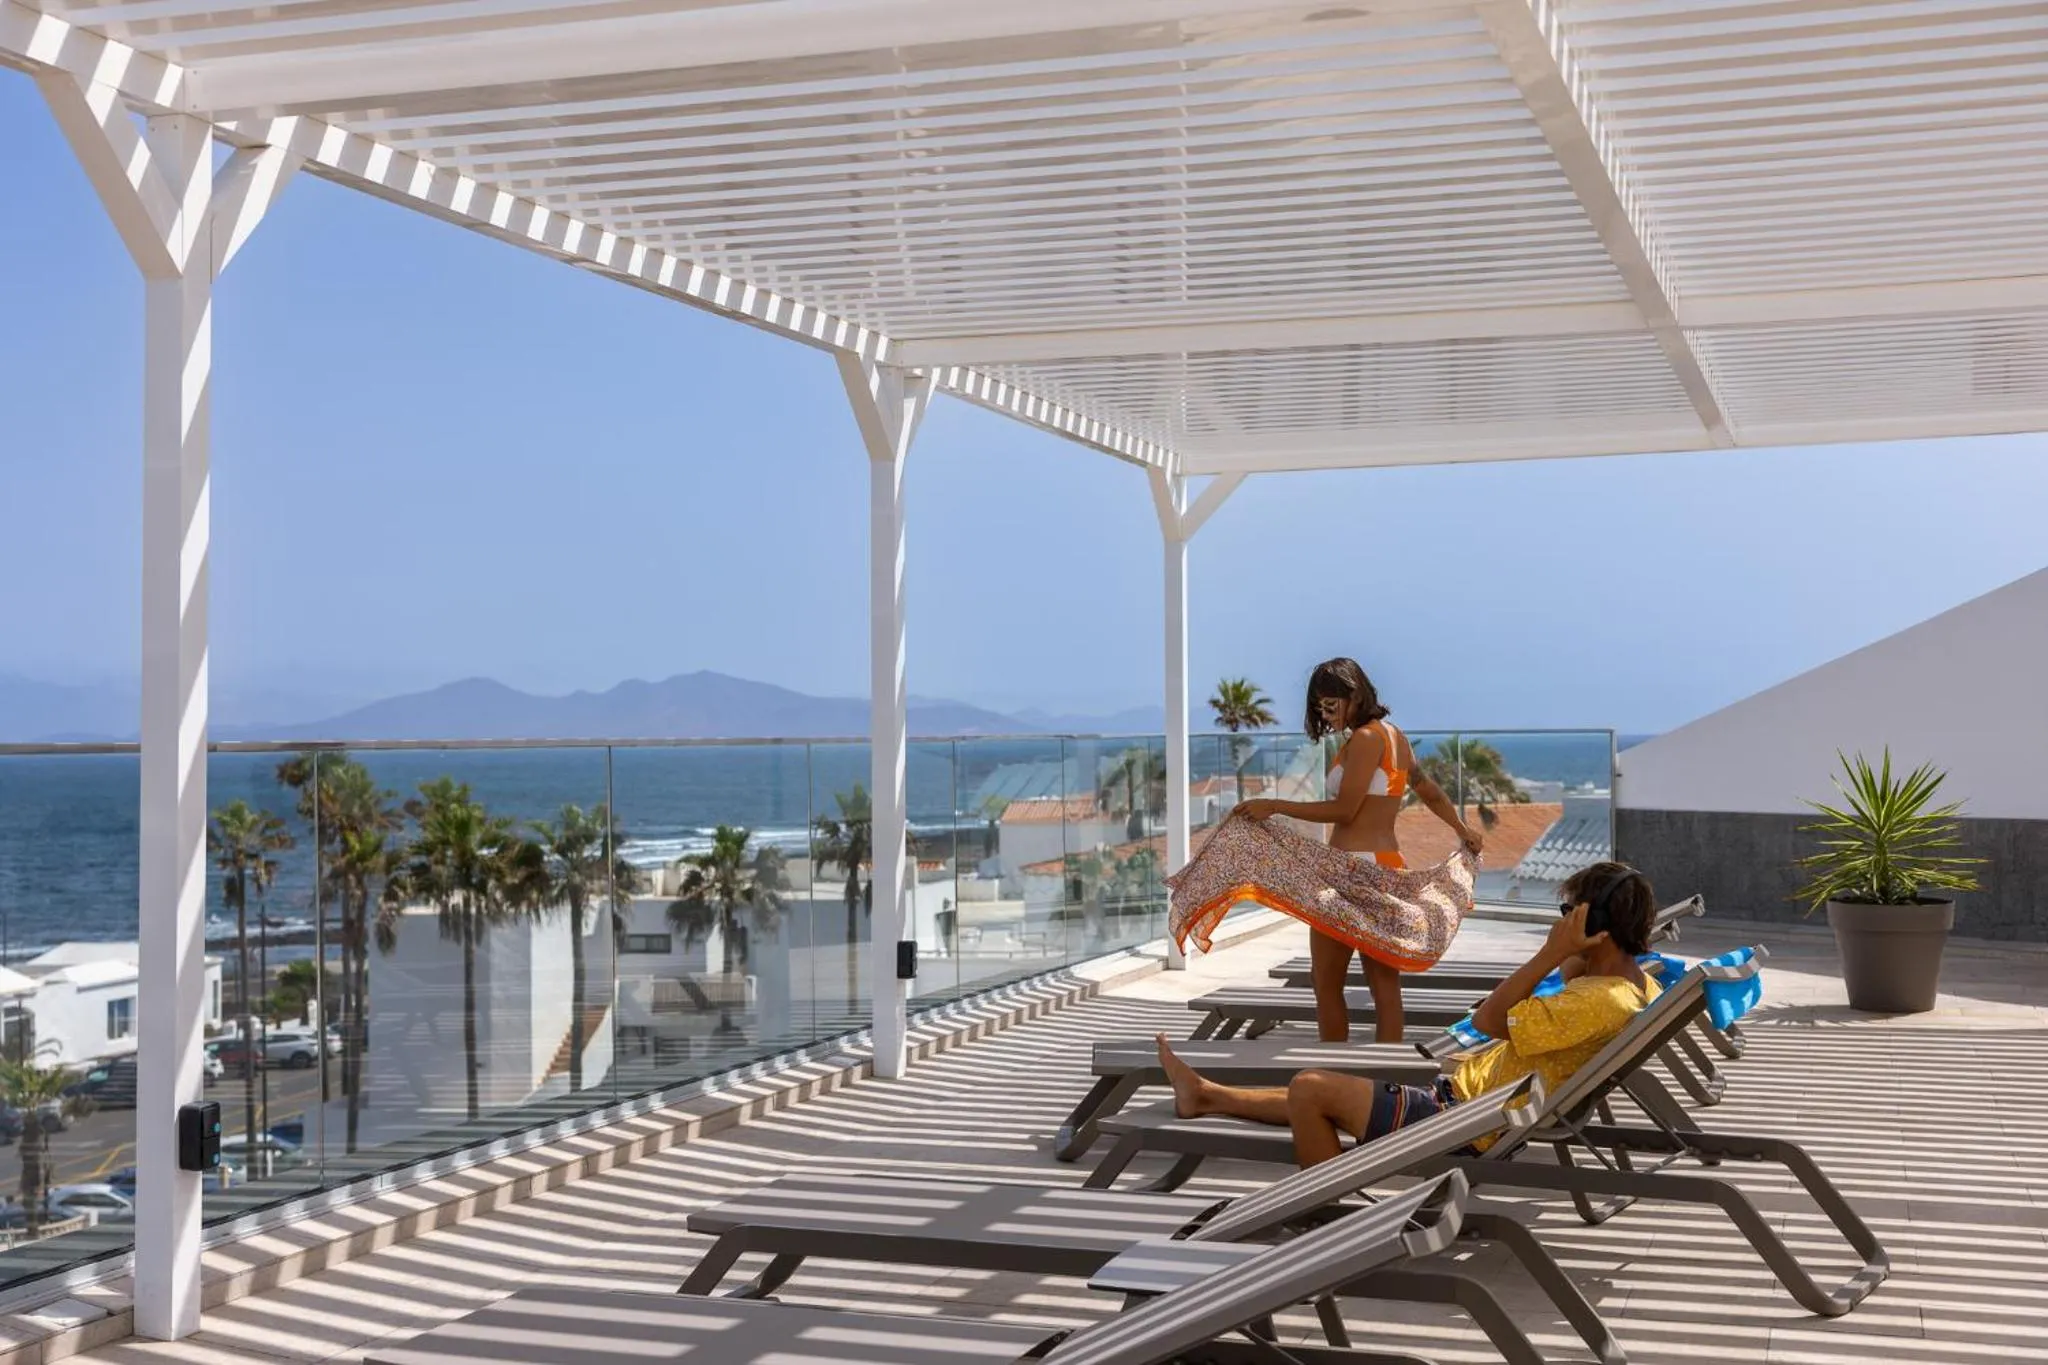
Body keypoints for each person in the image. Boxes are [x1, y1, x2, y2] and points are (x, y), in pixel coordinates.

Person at [1156, 861, 1659, 1168]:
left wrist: (1550, 953)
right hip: (1464, 1100)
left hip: (1462, 1121)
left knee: (1312, 1087)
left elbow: (1487, 1021)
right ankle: (1205, 1096)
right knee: (1321, 1091)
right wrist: (1580, 952)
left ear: (1592, 923)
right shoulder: (1635, 985)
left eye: (1567, 913)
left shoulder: (1598, 1001)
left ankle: (1327, 1227)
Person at [1231, 658, 1484, 1043]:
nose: (1325, 713)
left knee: (1327, 983)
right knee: (1384, 988)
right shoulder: (1394, 735)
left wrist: (1275, 805)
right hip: (1387, 867)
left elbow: (1344, 810)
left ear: (1355, 694)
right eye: (1319, 706)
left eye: (1331, 704)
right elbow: (1427, 789)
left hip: (1352, 871)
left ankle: (1335, 1074)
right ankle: (1389, 1082)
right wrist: (1461, 828)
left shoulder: (1365, 739)